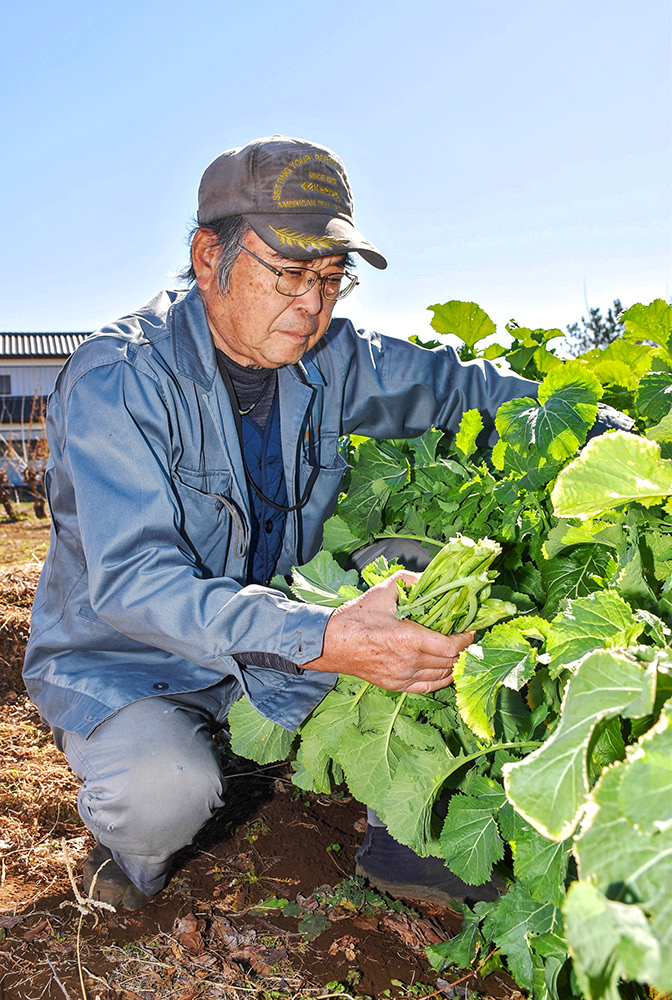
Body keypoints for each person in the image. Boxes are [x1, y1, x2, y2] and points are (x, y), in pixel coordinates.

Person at [23, 135, 545, 912]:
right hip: (133, 662)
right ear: (209, 258)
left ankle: (409, 844)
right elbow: (137, 586)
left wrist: (616, 434)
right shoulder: (119, 379)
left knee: (431, 575)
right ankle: (125, 856)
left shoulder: (330, 355)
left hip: (269, 642)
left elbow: (465, 390)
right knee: (165, 788)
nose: (313, 303)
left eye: (332, 279)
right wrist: (329, 640)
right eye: (291, 273)